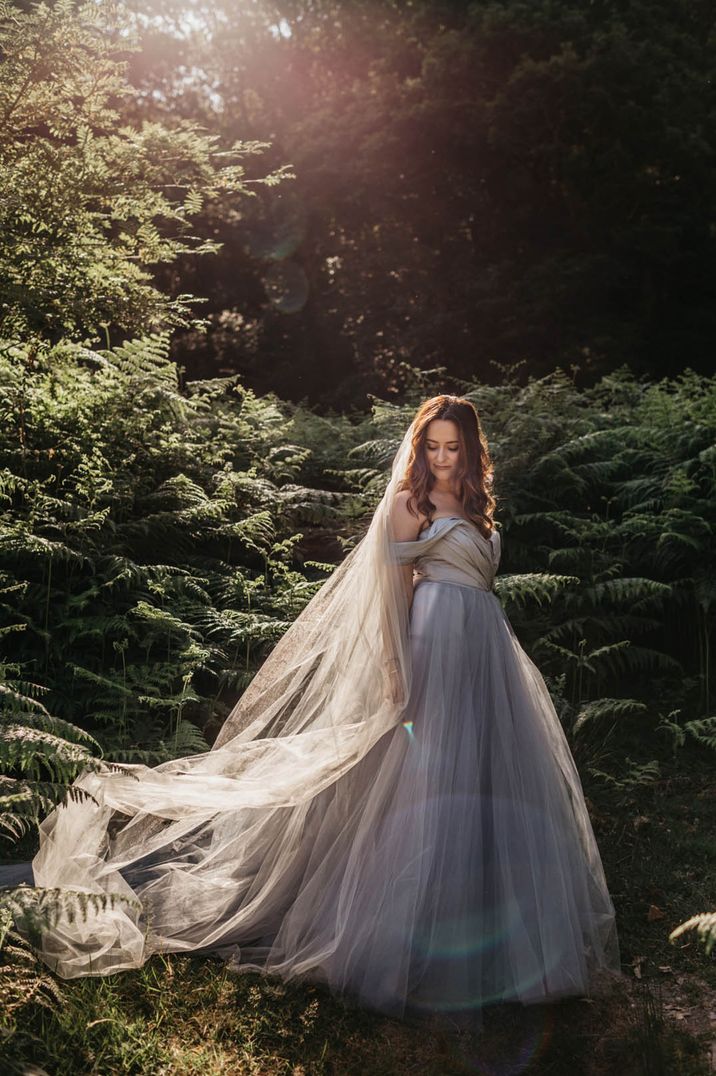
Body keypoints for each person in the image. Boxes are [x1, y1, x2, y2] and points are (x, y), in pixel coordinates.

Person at [6, 394, 620, 1027]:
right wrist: (393, 668)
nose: (440, 457)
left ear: (470, 448)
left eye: (452, 447)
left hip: (486, 647)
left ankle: (501, 935)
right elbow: (388, 590)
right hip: (434, 646)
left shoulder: (476, 507)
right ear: (420, 446)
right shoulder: (410, 504)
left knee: (491, 779)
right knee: (429, 781)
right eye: (431, 445)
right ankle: (410, 943)